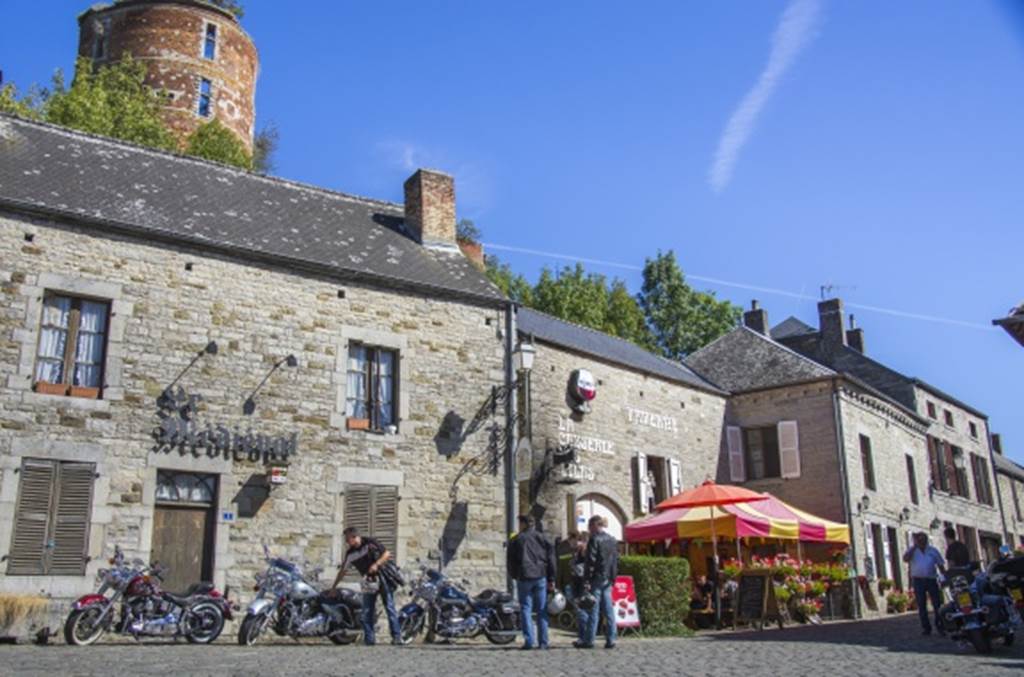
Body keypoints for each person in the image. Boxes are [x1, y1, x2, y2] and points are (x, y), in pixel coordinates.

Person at [332, 526, 402, 646]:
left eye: (348, 538)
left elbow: (386, 554)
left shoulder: (370, 542)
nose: (346, 541)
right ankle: (369, 639)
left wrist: (376, 564)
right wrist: (334, 587)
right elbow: (343, 571)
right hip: (369, 581)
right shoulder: (350, 554)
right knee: (367, 610)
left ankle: (397, 637)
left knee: (389, 607)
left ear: (355, 537)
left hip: (383, 578)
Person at [507, 515, 556, 650]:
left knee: (526, 608)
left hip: (524, 576)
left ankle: (529, 641)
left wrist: (514, 575)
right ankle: (543, 642)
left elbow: (510, 561)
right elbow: (551, 558)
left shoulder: (517, 539)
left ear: (523, 524)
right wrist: (552, 577)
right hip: (540, 575)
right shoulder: (543, 538)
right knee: (541, 610)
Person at [583, 515, 619, 650]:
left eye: (589, 526)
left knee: (594, 609)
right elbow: (615, 561)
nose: (589, 529)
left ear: (594, 525)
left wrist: (587, 580)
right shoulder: (612, 539)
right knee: (608, 610)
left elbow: (590, 562)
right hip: (608, 578)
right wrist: (613, 577)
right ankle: (611, 638)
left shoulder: (594, 539)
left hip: (597, 577)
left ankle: (590, 639)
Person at [902, 531, 946, 636]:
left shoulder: (933, 551)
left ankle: (940, 626)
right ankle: (926, 628)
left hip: (931, 579)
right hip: (918, 580)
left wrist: (944, 579)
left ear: (926, 540)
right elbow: (905, 559)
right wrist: (913, 548)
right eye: (919, 540)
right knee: (921, 605)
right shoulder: (912, 551)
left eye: (923, 540)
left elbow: (941, 566)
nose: (921, 542)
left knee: (937, 604)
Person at [568, 531, 590, 648]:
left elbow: (586, 568)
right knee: (580, 611)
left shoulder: (583, 551)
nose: (570, 543)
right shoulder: (576, 551)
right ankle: (583, 636)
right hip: (577, 582)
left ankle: (584, 637)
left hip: (581, 583)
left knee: (582, 611)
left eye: (571, 540)